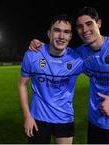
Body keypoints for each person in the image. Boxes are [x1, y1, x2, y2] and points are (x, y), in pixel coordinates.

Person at [28, 7, 109, 144]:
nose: (85, 30)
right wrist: (40, 46)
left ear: (98, 23)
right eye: (80, 26)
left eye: (89, 24)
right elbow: (58, 54)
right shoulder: (81, 53)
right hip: (95, 124)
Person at [18, 14, 84, 144]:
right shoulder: (32, 55)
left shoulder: (78, 59)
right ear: (49, 33)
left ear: (70, 36)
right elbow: (22, 85)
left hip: (64, 118)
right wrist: (27, 116)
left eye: (66, 32)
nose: (61, 36)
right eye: (57, 30)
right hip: (38, 119)